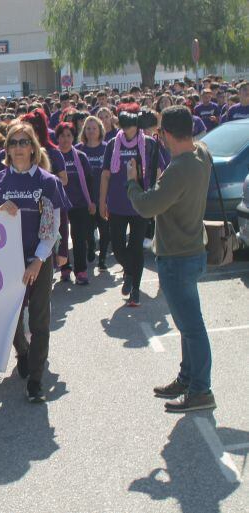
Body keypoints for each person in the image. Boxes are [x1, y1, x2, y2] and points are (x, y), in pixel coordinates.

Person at [126, 105, 216, 413]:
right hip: (193, 250)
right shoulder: (201, 153)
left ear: (166, 134)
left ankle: (201, 390)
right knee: (187, 324)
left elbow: (147, 207)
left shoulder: (179, 169)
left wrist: (132, 182)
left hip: (177, 257)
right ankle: (188, 378)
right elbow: (191, 146)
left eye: (161, 132)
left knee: (192, 327)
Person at [0, 122, 67, 403]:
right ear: (7, 148)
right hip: (6, 261)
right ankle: (24, 352)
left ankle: (36, 379)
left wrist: (38, 261)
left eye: (23, 142)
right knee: (12, 317)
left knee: (40, 319)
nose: (18, 147)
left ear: (33, 147)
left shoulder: (47, 182)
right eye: (13, 142)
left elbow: (52, 226)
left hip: (37, 260)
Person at [99, 103, 163, 307]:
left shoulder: (149, 144)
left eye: (129, 124)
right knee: (117, 247)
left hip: (141, 205)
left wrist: (157, 198)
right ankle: (128, 272)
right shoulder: (112, 145)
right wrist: (102, 201)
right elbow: (106, 175)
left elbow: (160, 171)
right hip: (117, 204)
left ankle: (135, 289)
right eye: (122, 124)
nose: (125, 128)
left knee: (135, 248)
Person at [55, 122, 95, 285]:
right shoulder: (52, 156)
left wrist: (92, 202)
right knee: (61, 239)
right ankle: (65, 268)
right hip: (59, 205)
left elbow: (89, 181)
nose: (65, 139)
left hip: (79, 204)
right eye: (62, 135)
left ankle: (81, 271)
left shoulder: (81, 156)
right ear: (57, 137)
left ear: (73, 137)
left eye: (69, 135)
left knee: (79, 238)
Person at [76, 116, 110, 270]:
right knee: (88, 231)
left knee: (105, 230)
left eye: (94, 128)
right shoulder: (79, 149)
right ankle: (91, 247)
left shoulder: (107, 147)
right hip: (86, 199)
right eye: (88, 128)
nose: (91, 131)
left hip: (103, 197)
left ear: (100, 130)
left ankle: (102, 259)